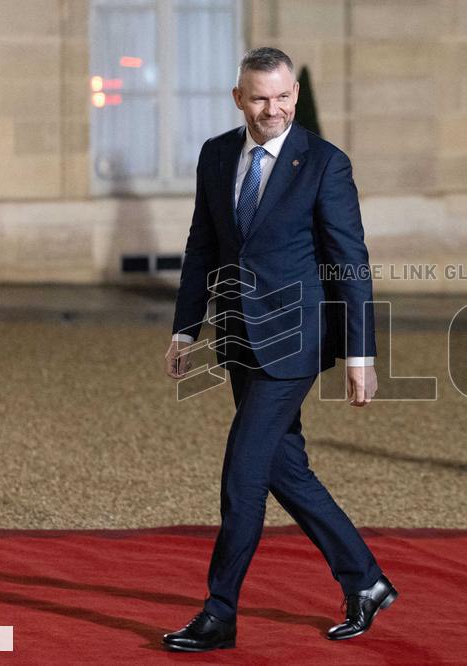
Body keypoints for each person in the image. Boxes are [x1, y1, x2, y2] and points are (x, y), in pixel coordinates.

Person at [161, 47, 397, 653]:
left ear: (295, 93)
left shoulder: (324, 164)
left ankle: (220, 613)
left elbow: (351, 261)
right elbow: (201, 244)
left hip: (297, 340)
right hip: (240, 335)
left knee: (243, 473)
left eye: (284, 96)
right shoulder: (216, 156)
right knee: (284, 469)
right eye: (261, 98)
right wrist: (186, 327)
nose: (275, 109)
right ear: (238, 97)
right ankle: (365, 580)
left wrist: (361, 355)